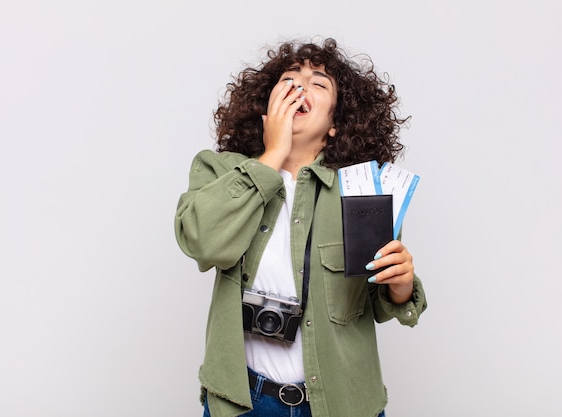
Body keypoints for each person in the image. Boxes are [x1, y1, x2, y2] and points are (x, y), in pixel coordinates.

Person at [174, 37, 427, 417]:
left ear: (336, 126)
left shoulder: (362, 193)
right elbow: (202, 242)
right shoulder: (221, 170)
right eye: (290, 78)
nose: (299, 86)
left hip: (340, 404)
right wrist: (272, 154)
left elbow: (377, 303)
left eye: (318, 83)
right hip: (242, 402)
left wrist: (402, 285)